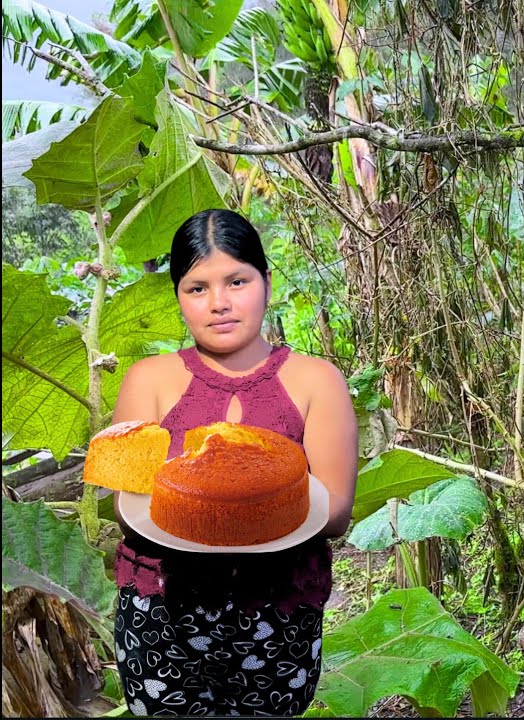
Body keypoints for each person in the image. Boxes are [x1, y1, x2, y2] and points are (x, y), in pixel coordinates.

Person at [109, 209, 358, 717]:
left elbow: (334, 512)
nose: (218, 303)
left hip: (278, 612)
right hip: (162, 613)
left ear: (267, 282)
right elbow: (124, 504)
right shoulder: (145, 379)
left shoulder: (318, 380)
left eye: (237, 282)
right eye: (197, 288)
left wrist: (230, 510)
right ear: (178, 296)